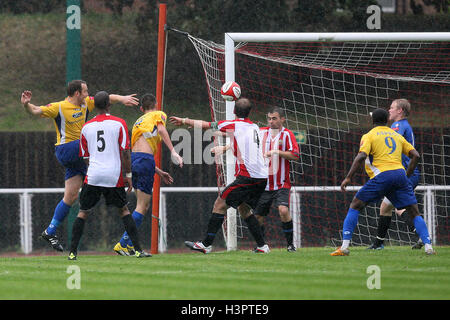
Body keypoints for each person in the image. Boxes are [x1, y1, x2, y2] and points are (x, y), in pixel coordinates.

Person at [21, 80, 139, 252]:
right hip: (68, 149)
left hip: (75, 158)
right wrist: (26, 105)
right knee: (98, 147)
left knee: (70, 196)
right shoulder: (59, 107)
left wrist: (122, 99)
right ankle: (104, 182)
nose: (87, 94)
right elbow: (36, 110)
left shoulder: (85, 103)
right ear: (77, 93)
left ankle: (50, 230)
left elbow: (107, 98)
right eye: (85, 91)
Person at [169, 98, 270, 253]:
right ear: (250, 112)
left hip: (248, 177)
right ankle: (262, 246)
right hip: (262, 177)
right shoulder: (254, 127)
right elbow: (233, 137)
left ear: (234, 111)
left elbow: (207, 125)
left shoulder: (234, 125)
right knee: (244, 209)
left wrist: (184, 120)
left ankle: (206, 244)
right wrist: (224, 147)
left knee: (220, 204)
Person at [331, 108, 435, 256]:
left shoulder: (369, 136)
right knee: (414, 211)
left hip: (383, 176)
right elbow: (416, 155)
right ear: (387, 120)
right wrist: (407, 175)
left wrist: (348, 177)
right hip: (400, 175)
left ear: (373, 121)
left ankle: (344, 247)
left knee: (355, 205)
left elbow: (361, 156)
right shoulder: (395, 134)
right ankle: (428, 247)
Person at [68, 91, 151, 260]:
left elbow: (85, 157)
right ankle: (138, 250)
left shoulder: (86, 127)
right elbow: (125, 153)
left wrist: (94, 170)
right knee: (124, 211)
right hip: (113, 175)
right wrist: (128, 175)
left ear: (95, 106)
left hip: (94, 174)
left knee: (83, 212)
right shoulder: (119, 123)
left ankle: (72, 253)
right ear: (109, 105)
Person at [113, 93, 182, 256]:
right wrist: (173, 151)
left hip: (136, 161)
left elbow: (138, 151)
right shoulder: (158, 114)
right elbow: (162, 130)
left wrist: (158, 171)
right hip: (144, 161)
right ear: (156, 105)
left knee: (140, 205)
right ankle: (123, 243)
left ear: (141, 108)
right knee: (142, 207)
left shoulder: (138, 121)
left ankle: (128, 245)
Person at [368, 99, 423, 250]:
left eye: (392, 108)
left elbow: (389, 144)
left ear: (400, 111)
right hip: (405, 173)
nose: (389, 110)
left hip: (405, 173)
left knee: (399, 206)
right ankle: (379, 243)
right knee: (386, 207)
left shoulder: (397, 126)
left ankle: (421, 236)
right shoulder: (402, 125)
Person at [254, 107, 300, 252]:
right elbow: (243, 139)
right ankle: (261, 246)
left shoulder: (287, 135)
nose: (271, 121)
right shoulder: (261, 133)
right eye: (269, 118)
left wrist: (277, 152)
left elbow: (295, 155)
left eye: (274, 118)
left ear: (282, 119)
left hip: (281, 183)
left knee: (283, 210)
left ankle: (290, 245)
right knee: (258, 216)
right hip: (263, 184)